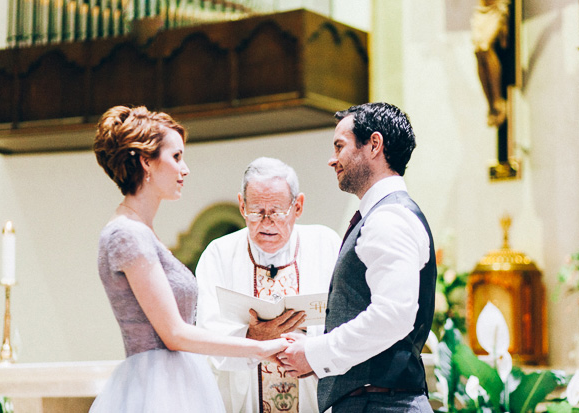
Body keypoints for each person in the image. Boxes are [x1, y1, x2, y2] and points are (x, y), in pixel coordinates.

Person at [90, 106, 287, 412]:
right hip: (154, 389)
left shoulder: (142, 232)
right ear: (146, 162)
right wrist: (259, 348)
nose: (185, 169)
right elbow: (174, 334)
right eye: (177, 157)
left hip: (175, 381)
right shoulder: (127, 234)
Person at [279, 102, 437, 413]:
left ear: (374, 145)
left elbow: (392, 315)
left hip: (382, 404)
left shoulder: (389, 218)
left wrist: (315, 354)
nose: (332, 159)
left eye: (340, 146)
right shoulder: (381, 215)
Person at [196, 157, 341, 413]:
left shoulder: (326, 245)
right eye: (256, 211)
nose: (266, 222)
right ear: (242, 205)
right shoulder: (218, 254)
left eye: (276, 211)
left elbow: (347, 323)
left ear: (298, 206)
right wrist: (254, 339)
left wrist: (312, 353)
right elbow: (207, 337)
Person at [472, 0, 511, 127]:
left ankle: (497, 100)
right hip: (482, 7)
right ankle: (490, 105)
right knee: (478, 52)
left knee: (485, 47)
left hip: (496, 7)